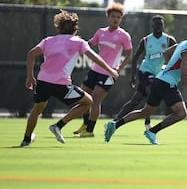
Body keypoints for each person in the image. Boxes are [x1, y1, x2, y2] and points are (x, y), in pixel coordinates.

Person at [20, 10, 119, 147]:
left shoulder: (48, 40)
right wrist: (110, 71)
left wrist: (30, 77)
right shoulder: (78, 42)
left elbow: (31, 54)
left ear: (58, 28)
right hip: (61, 84)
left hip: (42, 82)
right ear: (75, 29)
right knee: (88, 102)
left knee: (37, 110)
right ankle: (59, 125)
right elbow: (94, 57)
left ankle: (26, 139)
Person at [104, 23, 187, 144]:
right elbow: (184, 77)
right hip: (167, 83)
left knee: (145, 112)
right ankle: (152, 131)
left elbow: (166, 53)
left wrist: (168, 67)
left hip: (159, 80)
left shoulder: (183, 44)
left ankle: (114, 125)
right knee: (181, 113)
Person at [73, 3, 132, 137]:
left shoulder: (123, 35)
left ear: (121, 19)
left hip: (109, 72)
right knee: (84, 97)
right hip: (95, 70)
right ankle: (85, 123)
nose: (115, 19)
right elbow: (89, 45)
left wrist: (119, 68)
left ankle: (90, 131)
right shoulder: (101, 32)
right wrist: (77, 43)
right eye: (113, 16)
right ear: (108, 17)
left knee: (95, 99)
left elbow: (129, 55)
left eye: (118, 17)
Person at [113, 15, 176, 129]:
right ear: (152, 25)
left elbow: (176, 55)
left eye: (161, 24)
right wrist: (133, 76)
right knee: (152, 92)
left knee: (135, 101)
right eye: (156, 24)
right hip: (145, 71)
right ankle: (147, 123)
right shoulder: (146, 40)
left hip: (157, 73)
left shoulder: (169, 40)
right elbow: (135, 57)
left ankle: (115, 121)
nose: (158, 26)